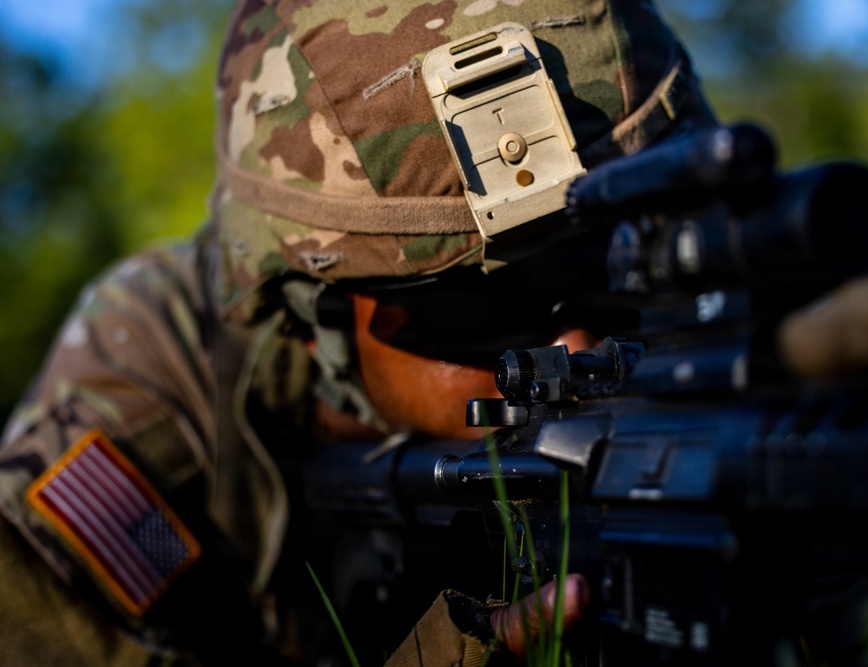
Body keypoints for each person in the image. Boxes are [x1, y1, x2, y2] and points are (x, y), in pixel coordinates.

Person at [0, 0, 716, 664]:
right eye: (488, 310)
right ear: (312, 310)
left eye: (626, 271)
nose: (583, 351)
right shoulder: (142, 412)